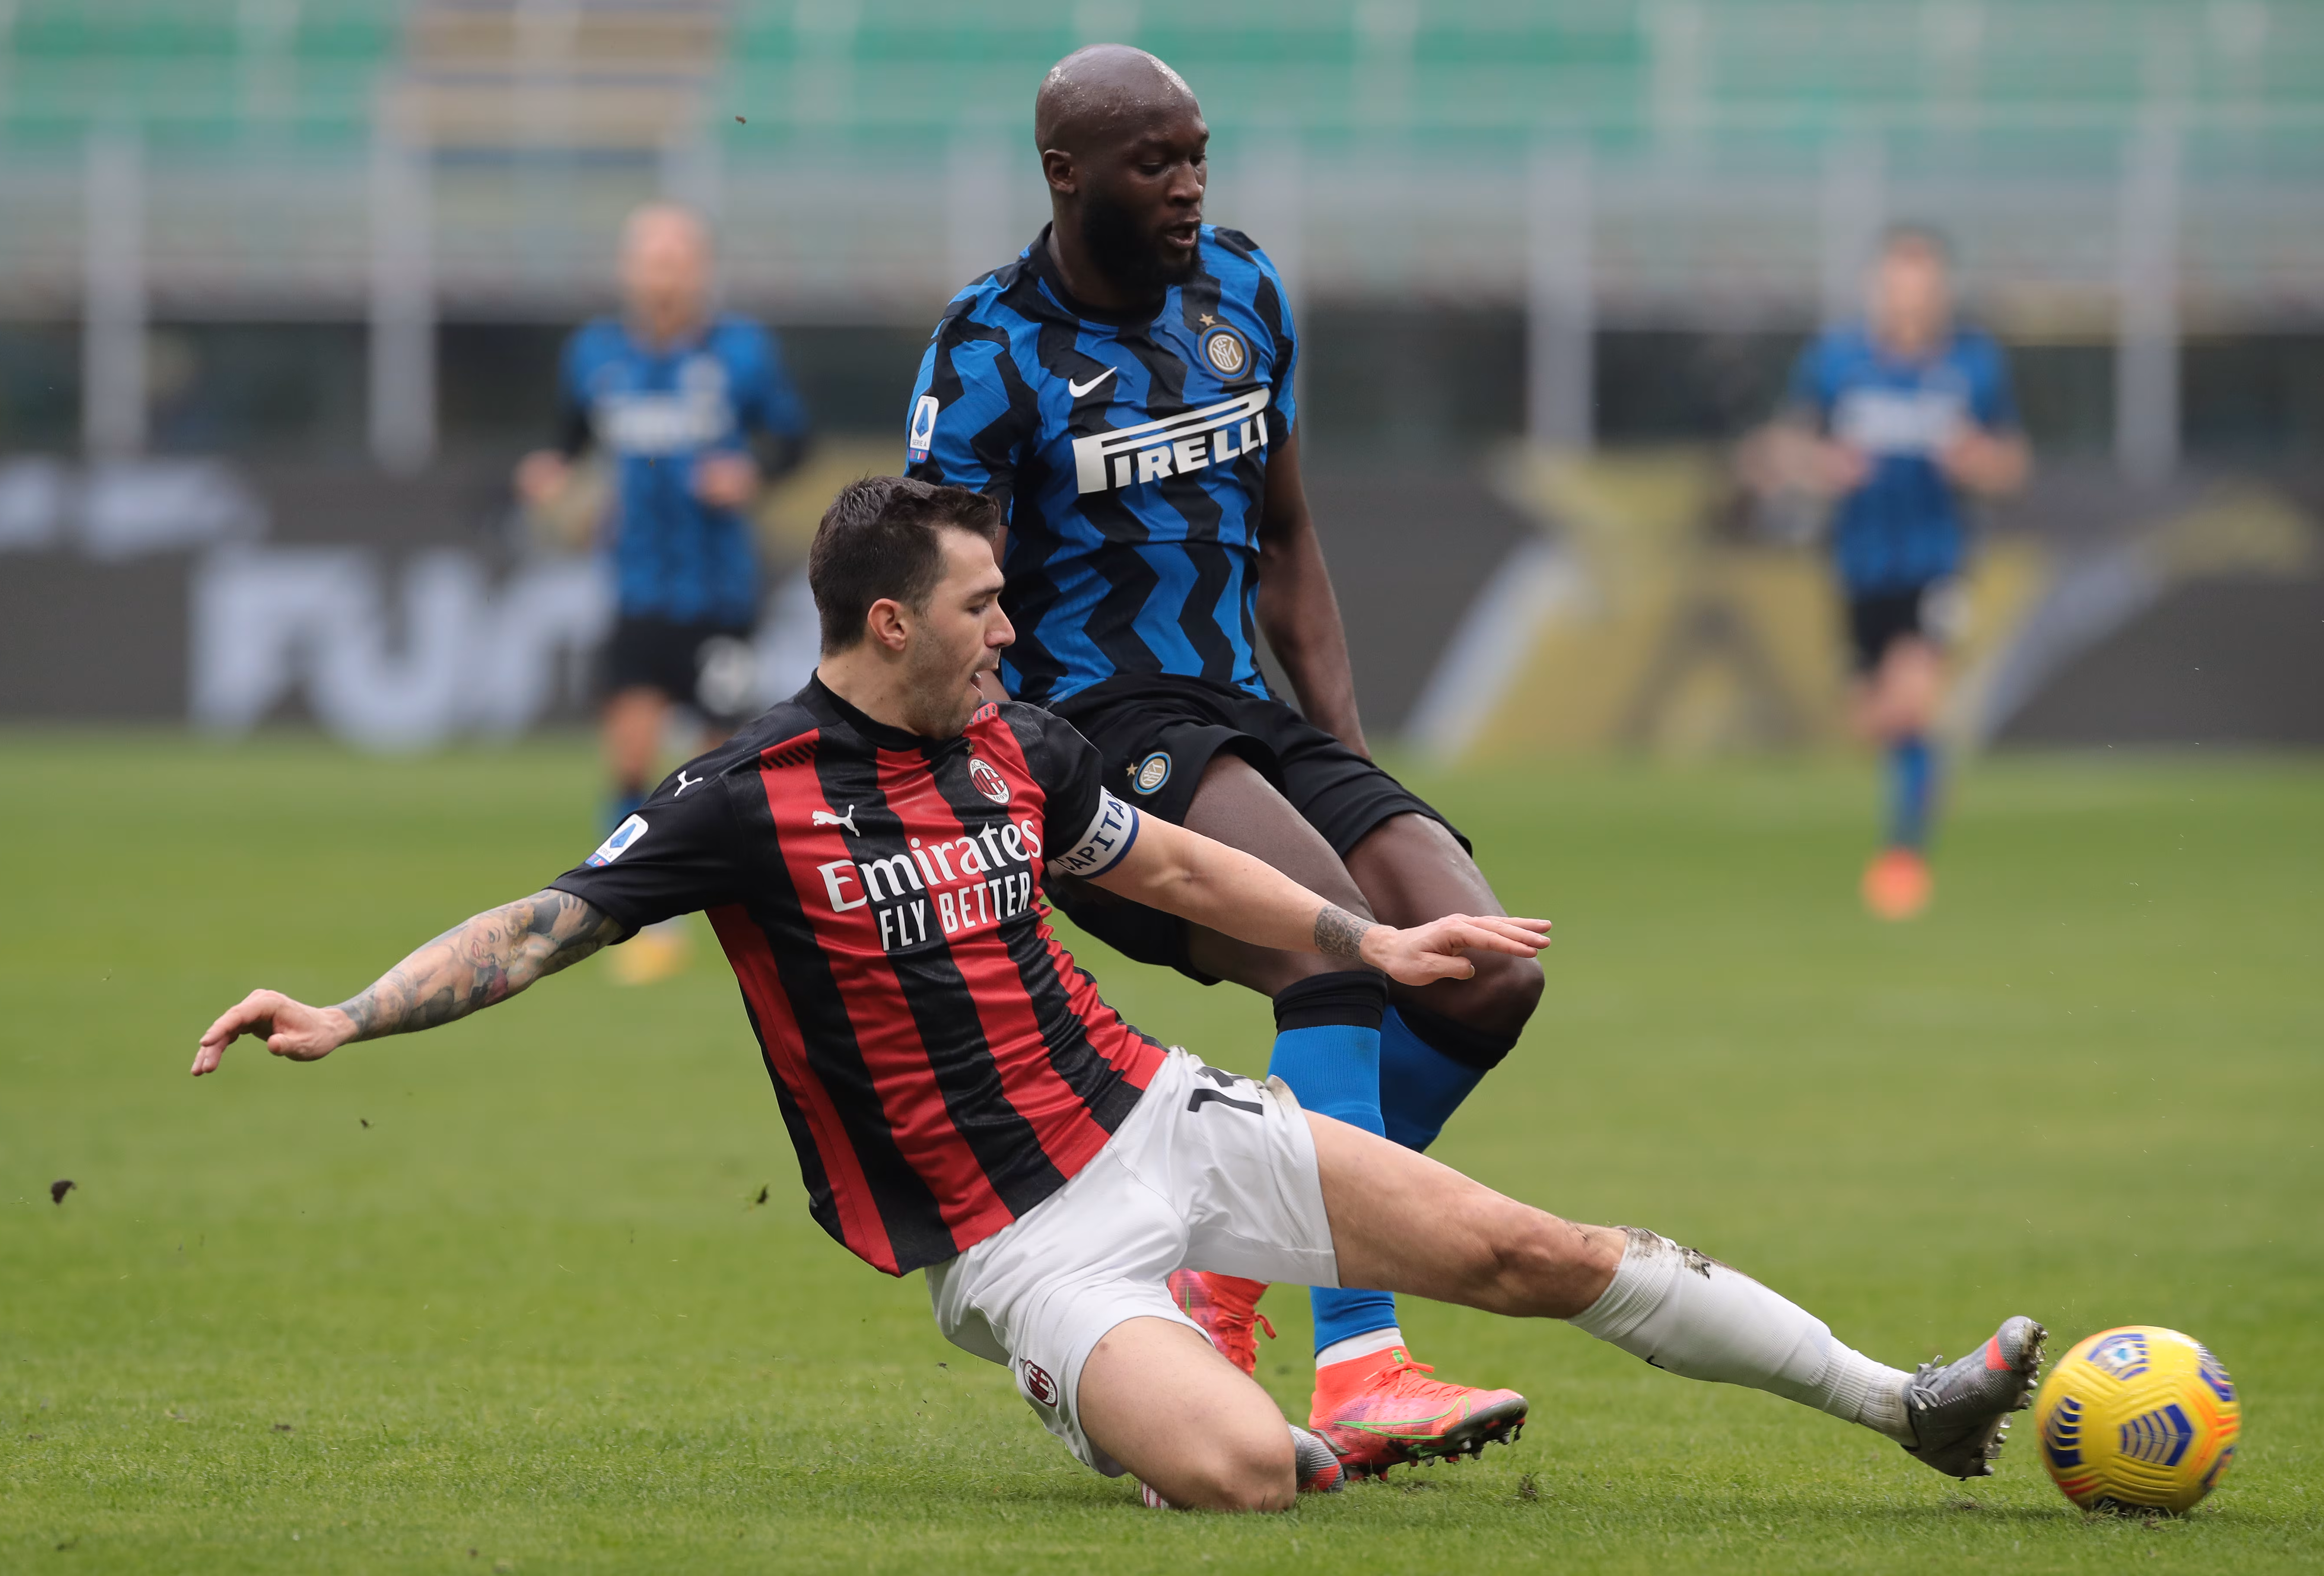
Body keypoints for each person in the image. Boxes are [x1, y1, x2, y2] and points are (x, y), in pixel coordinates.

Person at [194, 474, 2045, 1512]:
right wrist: (351, 1013)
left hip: (1159, 1113)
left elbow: (1171, 870)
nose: (1012, 630)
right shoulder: (744, 796)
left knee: (1528, 1250)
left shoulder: (1018, 746)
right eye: (982, 607)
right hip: (1020, 1244)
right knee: (1252, 1473)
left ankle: (1908, 1404)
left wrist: (1372, 946)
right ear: (888, 624)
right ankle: (1121, 1382)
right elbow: (544, 922)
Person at [900, 44, 1543, 1473]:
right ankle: (1363, 1360)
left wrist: (1348, 768)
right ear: (1066, 174)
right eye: (1154, 162)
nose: (1188, 185)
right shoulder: (989, 346)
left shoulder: (1242, 291)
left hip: (1248, 713)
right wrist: (982, 795)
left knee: (1486, 968)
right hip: (1095, 735)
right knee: (1336, 952)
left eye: (1196, 155)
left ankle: (1224, 1275)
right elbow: (945, 597)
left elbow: (1290, 537)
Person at [515, 202, 811, 979]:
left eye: (676, 260)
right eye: (650, 260)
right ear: (628, 270)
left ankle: (710, 916)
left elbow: (793, 440)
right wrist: (552, 476)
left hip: (720, 592)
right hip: (636, 588)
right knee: (630, 755)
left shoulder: (742, 352)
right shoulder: (595, 355)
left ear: (701, 270)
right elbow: (569, 440)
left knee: (713, 770)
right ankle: (640, 919)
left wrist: (751, 473)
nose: (663, 275)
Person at [1742, 226, 2031, 919]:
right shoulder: (1837, 361)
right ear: (1878, 288)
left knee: (1911, 701)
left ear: (1941, 291)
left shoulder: (1974, 364)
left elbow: (2013, 465)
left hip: (1937, 561)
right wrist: (1820, 464)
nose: (1910, 298)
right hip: (1859, 565)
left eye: (1922, 284)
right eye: (1898, 283)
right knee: (1874, 721)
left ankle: (1904, 856)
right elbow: (1773, 453)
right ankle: (1915, 791)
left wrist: (1980, 460)